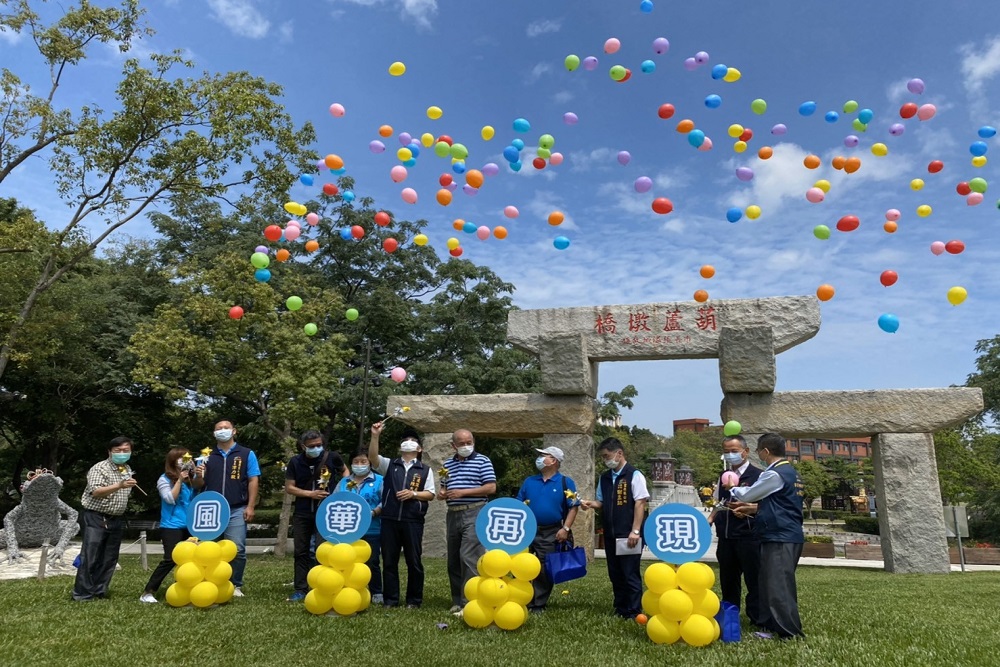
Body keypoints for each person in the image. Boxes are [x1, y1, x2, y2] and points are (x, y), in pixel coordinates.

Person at [728, 432, 806, 640]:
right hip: (785, 534)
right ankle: (773, 626)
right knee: (772, 583)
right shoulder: (791, 472)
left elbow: (749, 494)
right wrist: (753, 510)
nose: (758, 454)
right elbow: (779, 505)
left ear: (766, 451)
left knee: (779, 585)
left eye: (758, 450)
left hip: (780, 536)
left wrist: (732, 489)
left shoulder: (774, 474)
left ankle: (789, 633)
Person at [368, 422, 436, 608]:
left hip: (413, 520)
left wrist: (413, 494)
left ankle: (414, 600)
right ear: (400, 447)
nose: (408, 443)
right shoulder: (391, 465)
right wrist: (375, 436)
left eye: (413, 441)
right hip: (389, 519)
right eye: (405, 441)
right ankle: (391, 600)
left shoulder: (424, 470)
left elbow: (430, 494)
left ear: (419, 448)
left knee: (414, 561)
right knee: (389, 561)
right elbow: (373, 458)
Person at [581, 437, 649, 619]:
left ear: (619, 453)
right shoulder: (604, 477)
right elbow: (601, 502)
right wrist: (590, 504)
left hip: (628, 534)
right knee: (615, 573)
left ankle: (634, 610)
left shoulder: (634, 475)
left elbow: (640, 503)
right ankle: (620, 608)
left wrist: (635, 530)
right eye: (603, 457)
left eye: (607, 456)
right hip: (610, 534)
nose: (605, 460)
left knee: (630, 573)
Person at [72, 436, 139, 601]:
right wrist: (119, 485)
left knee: (109, 557)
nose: (122, 453)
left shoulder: (127, 468)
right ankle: (82, 594)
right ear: (110, 452)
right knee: (90, 555)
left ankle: (99, 590)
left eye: (126, 450)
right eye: (118, 450)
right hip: (95, 516)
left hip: (115, 518)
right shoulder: (99, 468)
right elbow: (96, 491)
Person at [515, 446, 580, 612]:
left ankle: (538, 603)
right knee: (521, 565)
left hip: (551, 530)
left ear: (554, 461)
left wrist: (565, 528)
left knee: (545, 568)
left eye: (544, 456)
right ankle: (521, 597)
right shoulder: (529, 481)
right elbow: (518, 504)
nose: (540, 458)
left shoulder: (565, 482)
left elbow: (573, 507)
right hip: (527, 530)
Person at [708, 435, 763, 626]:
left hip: (749, 536)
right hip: (726, 537)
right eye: (726, 452)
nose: (730, 455)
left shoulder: (758, 476)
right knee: (728, 581)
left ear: (745, 452)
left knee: (754, 580)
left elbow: (763, 505)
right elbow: (719, 503)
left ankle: (757, 619)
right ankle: (730, 619)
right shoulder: (723, 475)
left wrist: (748, 508)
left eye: (734, 451)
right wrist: (711, 518)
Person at [440, 428, 496, 614]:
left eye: (468, 442)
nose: (466, 446)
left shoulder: (483, 461)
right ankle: (457, 599)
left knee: (469, 556)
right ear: (453, 445)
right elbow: (444, 487)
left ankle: (470, 601)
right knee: (454, 559)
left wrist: (463, 492)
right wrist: (442, 493)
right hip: (453, 512)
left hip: (475, 511)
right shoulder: (447, 464)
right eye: (461, 443)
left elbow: (490, 487)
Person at [284, 430, 344, 602]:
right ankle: (301, 588)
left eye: (319, 445)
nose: (316, 448)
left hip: (325, 512)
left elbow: (346, 473)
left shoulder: (332, 457)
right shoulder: (295, 462)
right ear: (303, 446)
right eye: (312, 446)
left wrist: (340, 492)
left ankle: (321, 585)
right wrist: (309, 494)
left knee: (322, 551)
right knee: (300, 551)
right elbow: (289, 487)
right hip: (303, 512)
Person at [201, 419, 260, 597]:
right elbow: (197, 483)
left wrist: (250, 506)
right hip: (211, 508)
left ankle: (235, 584)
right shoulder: (206, 455)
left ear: (234, 431)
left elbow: (253, 480)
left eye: (226, 428)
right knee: (208, 547)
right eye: (219, 428)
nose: (223, 431)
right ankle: (208, 581)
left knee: (238, 548)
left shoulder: (246, 453)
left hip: (236, 507)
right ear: (213, 433)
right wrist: (197, 474)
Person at [140, 448, 204, 603]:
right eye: (181, 458)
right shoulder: (164, 479)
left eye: (188, 458)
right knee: (170, 558)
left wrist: (199, 474)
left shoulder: (191, 477)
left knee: (191, 559)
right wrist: (180, 481)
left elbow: (199, 485)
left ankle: (185, 588)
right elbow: (169, 499)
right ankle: (148, 591)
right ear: (173, 461)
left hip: (191, 525)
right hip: (172, 525)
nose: (185, 460)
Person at [337, 448, 384, 604]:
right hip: (348, 530)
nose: (359, 464)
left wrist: (375, 511)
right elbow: (335, 500)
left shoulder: (379, 480)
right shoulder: (344, 482)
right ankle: (350, 588)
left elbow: (386, 501)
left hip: (372, 528)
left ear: (370, 462)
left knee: (372, 561)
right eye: (356, 462)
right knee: (348, 561)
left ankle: (376, 591)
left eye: (363, 461)